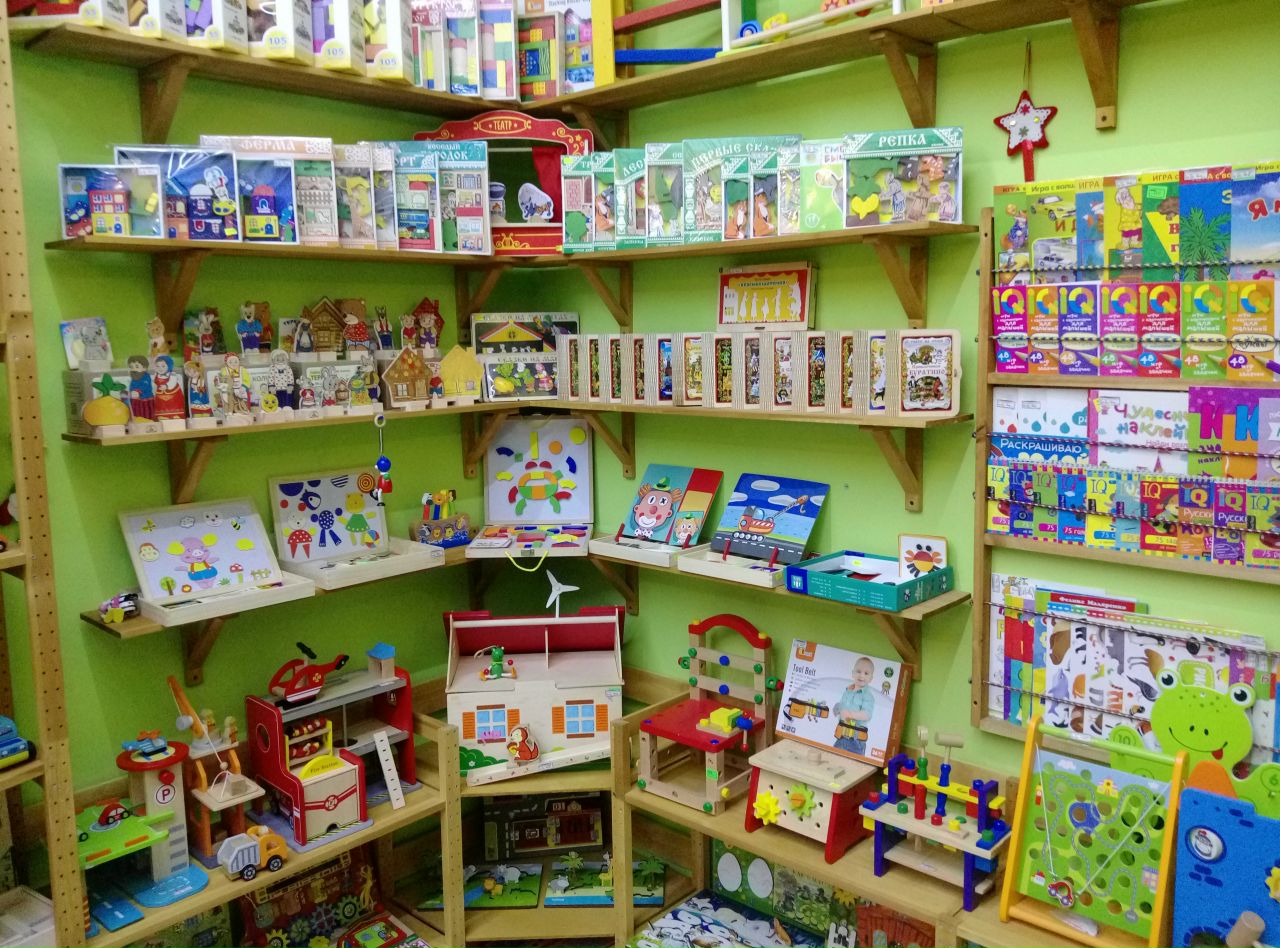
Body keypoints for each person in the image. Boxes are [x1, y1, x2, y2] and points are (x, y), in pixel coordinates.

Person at [834, 656, 876, 755]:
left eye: (866, 673)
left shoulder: (868, 696)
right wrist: (838, 708)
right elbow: (843, 706)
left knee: (854, 761)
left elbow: (867, 714)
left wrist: (850, 714)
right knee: (834, 757)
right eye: (858, 671)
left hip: (856, 739)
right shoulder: (847, 691)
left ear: (871, 678)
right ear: (853, 673)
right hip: (841, 734)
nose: (861, 676)